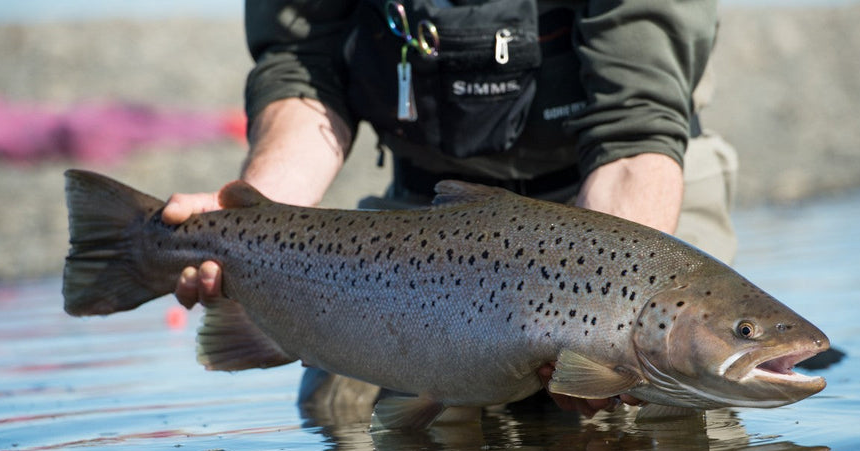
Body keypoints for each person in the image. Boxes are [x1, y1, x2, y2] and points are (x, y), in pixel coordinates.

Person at [162, 1, 738, 420]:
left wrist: (605, 332)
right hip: (429, 216)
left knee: (662, 405)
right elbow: (303, 67)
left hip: (625, 193)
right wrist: (251, 222)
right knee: (342, 412)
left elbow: (634, 130)